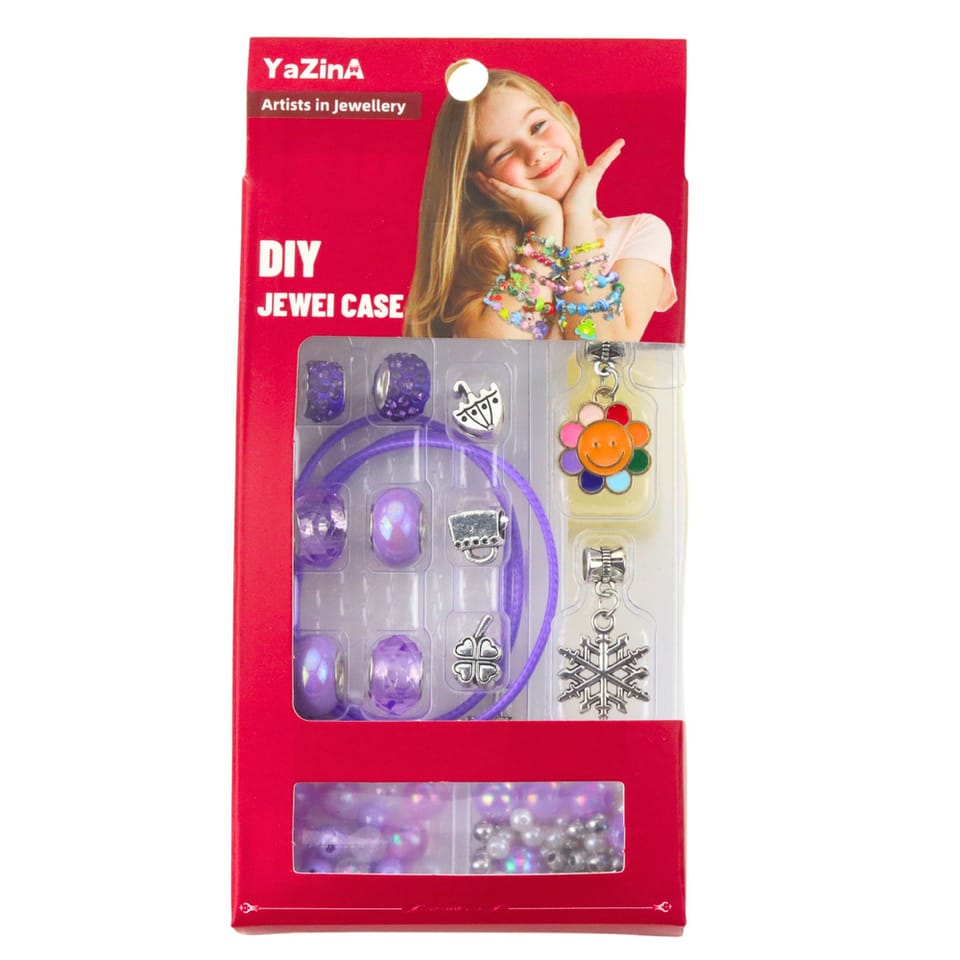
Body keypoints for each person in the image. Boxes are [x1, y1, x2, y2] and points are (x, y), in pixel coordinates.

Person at [404, 69, 676, 341]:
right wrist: (548, 225)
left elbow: (602, 355)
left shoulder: (639, 232)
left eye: (538, 127)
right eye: (503, 153)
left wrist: (577, 214)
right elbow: (500, 349)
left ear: (568, 118)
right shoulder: (483, 251)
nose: (535, 152)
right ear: (480, 182)